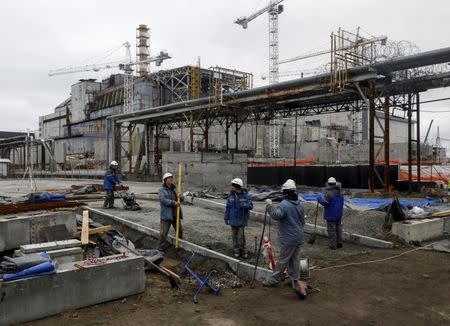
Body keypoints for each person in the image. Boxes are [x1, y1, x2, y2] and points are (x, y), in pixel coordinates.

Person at [263, 179, 307, 299]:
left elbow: (276, 215)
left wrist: (269, 205)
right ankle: (294, 280)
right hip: (298, 237)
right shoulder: (299, 204)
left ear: (285, 192)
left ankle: (273, 279)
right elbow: (302, 221)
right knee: (295, 260)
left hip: (289, 238)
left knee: (283, 260)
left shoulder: (285, 204)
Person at [224, 178, 254, 259]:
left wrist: (244, 204)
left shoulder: (245, 195)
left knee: (241, 237)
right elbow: (227, 207)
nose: (231, 187)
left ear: (237, 186)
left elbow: (251, 206)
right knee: (234, 236)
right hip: (232, 219)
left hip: (241, 220)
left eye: (233, 185)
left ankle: (244, 250)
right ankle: (236, 250)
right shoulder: (231, 195)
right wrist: (226, 217)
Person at [158, 172, 183, 251]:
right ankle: (160, 249)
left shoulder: (175, 188)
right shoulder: (162, 189)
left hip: (176, 214)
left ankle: (180, 246)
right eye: (169, 178)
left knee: (180, 231)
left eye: (172, 178)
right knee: (163, 233)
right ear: (165, 180)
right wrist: (173, 202)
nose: (171, 179)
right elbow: (163, 200)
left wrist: (181, 196)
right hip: (167, 215)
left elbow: (181, 198)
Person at [317, 177, 345, 250]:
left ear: (328, 184)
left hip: (331, 215)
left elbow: (324, 203)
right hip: (339, 214)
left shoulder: (329, 193)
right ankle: (339, 243)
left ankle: (333, 245)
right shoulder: (340, 192)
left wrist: (319, 198)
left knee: (331, 230)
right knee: (338, 229)